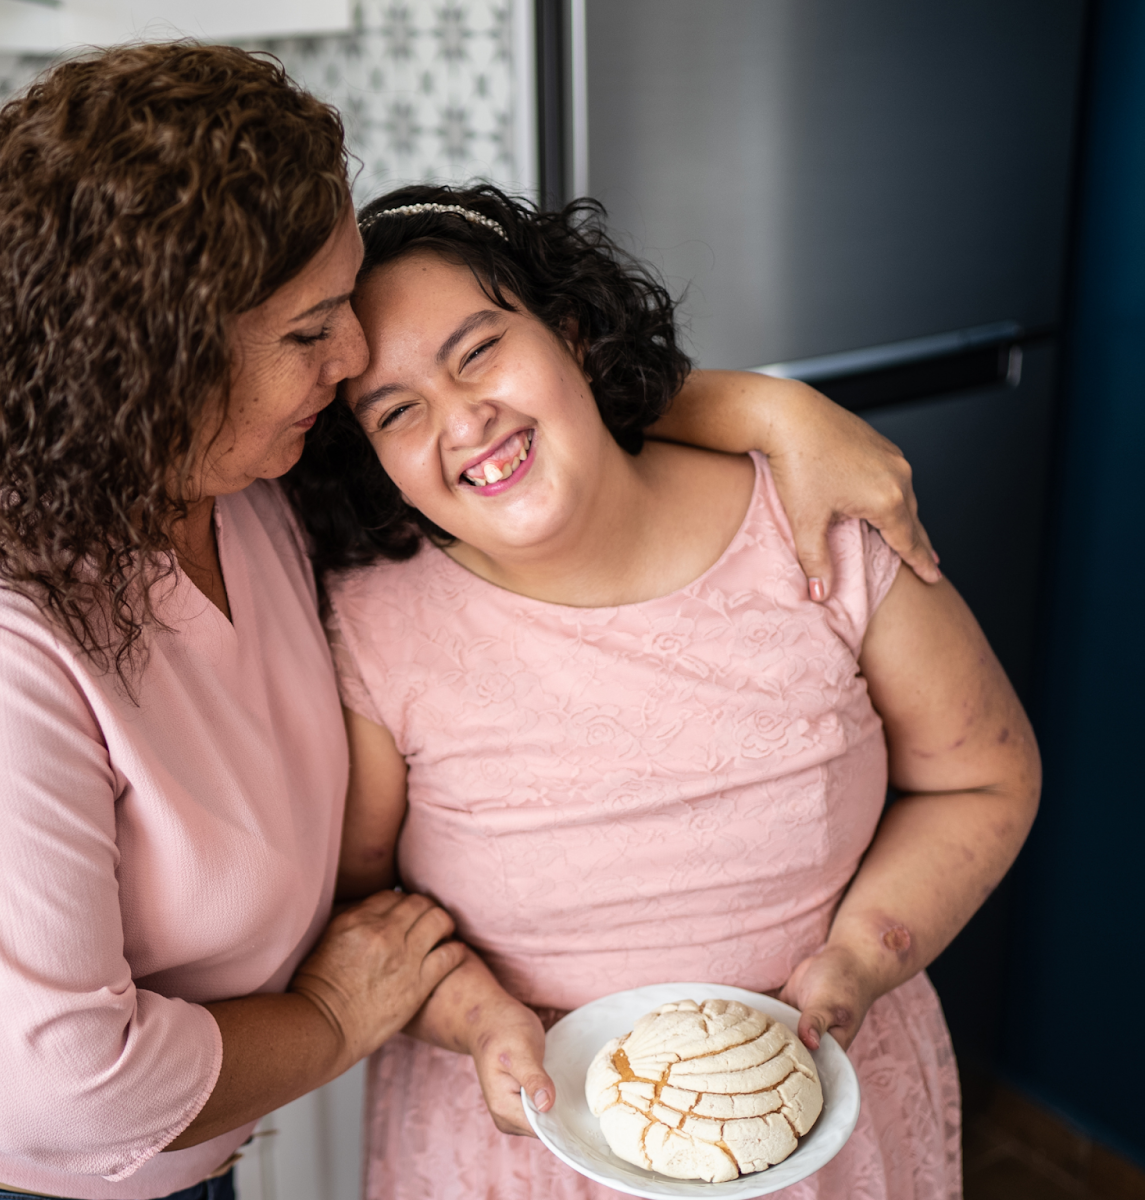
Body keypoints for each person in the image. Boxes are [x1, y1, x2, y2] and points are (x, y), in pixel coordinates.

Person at [0, 46, 949, 1200]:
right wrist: (336, 1015)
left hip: (176, 1164)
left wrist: (776, 409)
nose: (349, 355)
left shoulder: (241, 492)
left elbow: (503, 402)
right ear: (157, 366)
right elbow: (58, 1095)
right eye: (309, 330)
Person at [295, 184, 1040, 1200]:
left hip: (820, 1122)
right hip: (519, 1158)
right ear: (375, 458)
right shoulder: (371, 632)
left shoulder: (816, 525)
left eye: (478, 351)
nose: (463, 420)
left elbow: (982, 779)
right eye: (396, 410)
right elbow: (360, 906)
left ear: (567, 332)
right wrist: (480, 1021)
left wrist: (865, 956)